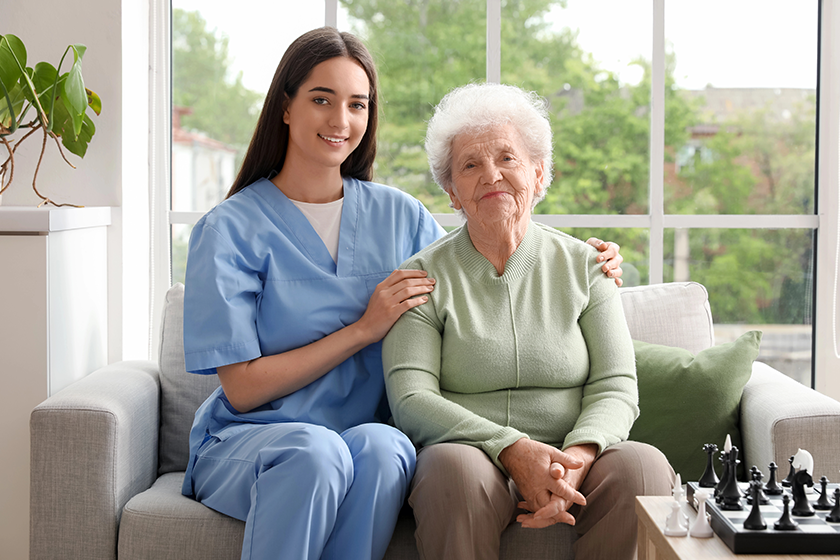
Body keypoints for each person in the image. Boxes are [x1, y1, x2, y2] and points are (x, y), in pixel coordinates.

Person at [180, 28, 625, 560]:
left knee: (388, 445)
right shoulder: (227, 229)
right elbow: (242, 389)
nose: (340, 120)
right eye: (321, 99)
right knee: (315, 452)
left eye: (357, 104)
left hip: (359, 436)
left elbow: (484, 257)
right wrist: (362, 330)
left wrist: (586, 258)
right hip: (257, 439)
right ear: (285, 108)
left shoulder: (400, 216)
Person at [382, 83, 675, 560]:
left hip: (575, 453)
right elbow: (411, 399)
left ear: (538, 174)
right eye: (470, 166)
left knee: (643, 466)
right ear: (452, 192)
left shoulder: (588, 267)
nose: (491, 175)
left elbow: (616, 384)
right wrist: (512, 449)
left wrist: (575, 460)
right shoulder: (422, 277)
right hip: (472, 454)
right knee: (451, 472)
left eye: (507, 158)